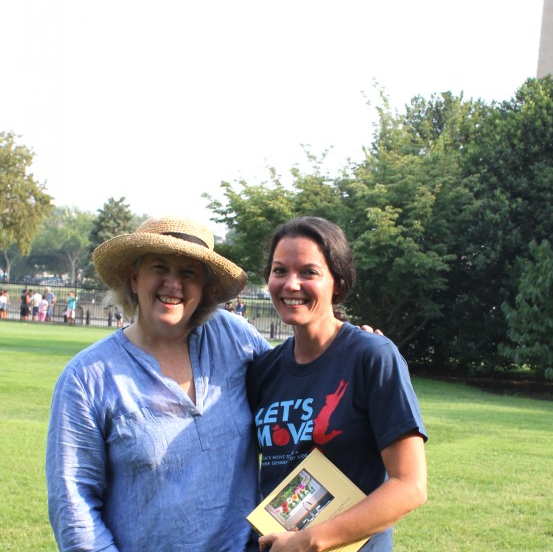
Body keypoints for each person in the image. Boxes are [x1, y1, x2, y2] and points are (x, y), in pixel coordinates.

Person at [46, 216, 272, 552]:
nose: (173, 283)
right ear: (134, 279)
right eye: (159, 268)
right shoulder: (87, 377)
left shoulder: (235, 338)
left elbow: (297, 388)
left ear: (205, 288)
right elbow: (73, 500)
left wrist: (356, 356)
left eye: (188, 273)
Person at [246, 217, 428, 551]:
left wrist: (308, 540)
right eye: (279, 270)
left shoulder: (371, 357)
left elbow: (410, 485)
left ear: (338, 284)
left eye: (308, 272)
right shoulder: (263, 370)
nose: (291, 284)